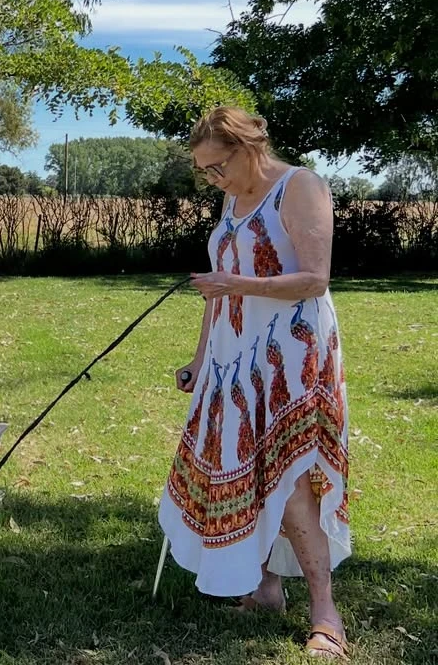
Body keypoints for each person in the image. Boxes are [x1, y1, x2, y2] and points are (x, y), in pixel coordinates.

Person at [159, 106, 351, 661]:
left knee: (291, 479)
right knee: (246, 468)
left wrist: (237, 283)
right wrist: (201, 360)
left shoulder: (300, 186)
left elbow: (315, 279)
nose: (213, 179)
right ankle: (265, 589)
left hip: (291, 356)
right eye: (205, 172)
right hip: (233, 357)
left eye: (217, 167)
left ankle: (326, 614)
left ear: (248, 149)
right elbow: (217, 294)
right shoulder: (231, 198)